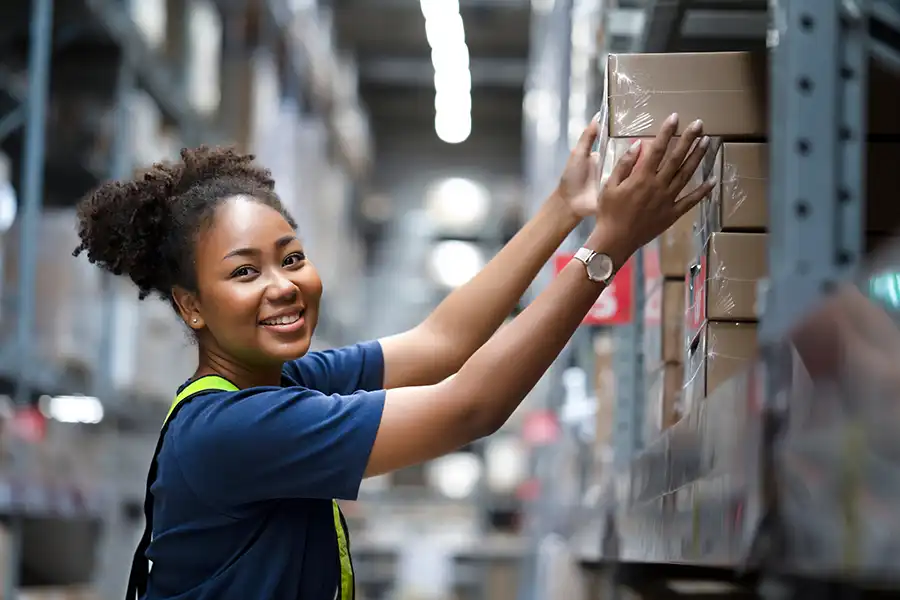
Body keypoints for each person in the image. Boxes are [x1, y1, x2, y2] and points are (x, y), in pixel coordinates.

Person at [74, 112, 712, 600]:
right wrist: (608, 248)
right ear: (192, 307)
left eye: (291, 257)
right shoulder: (230, 431)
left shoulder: (279, 382)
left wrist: (563, 210)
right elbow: (470, 407)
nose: (283, 285)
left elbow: (441, 345)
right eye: (245, 273)